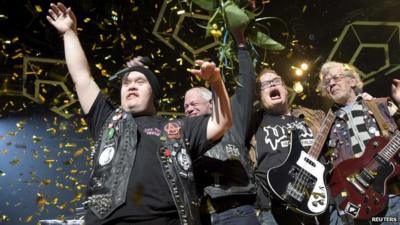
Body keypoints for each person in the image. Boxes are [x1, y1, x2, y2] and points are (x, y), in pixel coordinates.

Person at [46, 2, 232, 225]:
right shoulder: (107, 118)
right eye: (126, 83)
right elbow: (82, 78)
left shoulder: (177, 128)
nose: (131, 86)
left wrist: (216, 82)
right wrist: (69, 33)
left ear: (153, 93)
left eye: (139, 81)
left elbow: (222, 122)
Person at [183, 25, 260, 225]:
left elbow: (247, 84)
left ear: (210, 104)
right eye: (185, 107)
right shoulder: (184, 136)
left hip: (238, 212)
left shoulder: (232, 122)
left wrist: (241, 43)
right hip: (202, 217)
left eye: (193, 103)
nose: (188, 109)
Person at [318, 61, 400, 225]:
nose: (331, 83)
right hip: (357, 203)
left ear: (352, 81)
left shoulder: (380, 105)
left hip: (392, 196)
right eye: (327, 83)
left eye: (336, 78)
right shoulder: (325, 125)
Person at [250, 68, 331, 225]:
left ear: (286, 90)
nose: (271, 84)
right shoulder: (252, 124)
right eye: (265, 84)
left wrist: (364, 101)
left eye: (276, 81)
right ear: (259, 96)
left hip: (318, 200)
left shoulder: (315, 116)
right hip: (274, 207)